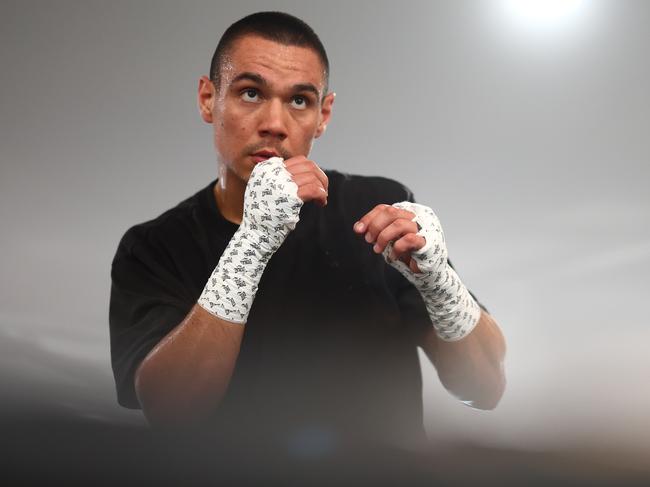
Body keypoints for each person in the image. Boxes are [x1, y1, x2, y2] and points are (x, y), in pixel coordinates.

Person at [109, 11, 506, 454]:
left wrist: (439, 282)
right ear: (208, 99)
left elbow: (486, 388)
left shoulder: (375, 210)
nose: (274, 123)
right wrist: (254, 239)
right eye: (250, 92)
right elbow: (170, 412)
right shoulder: (154, 247)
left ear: (323, 114)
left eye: (299, 100)